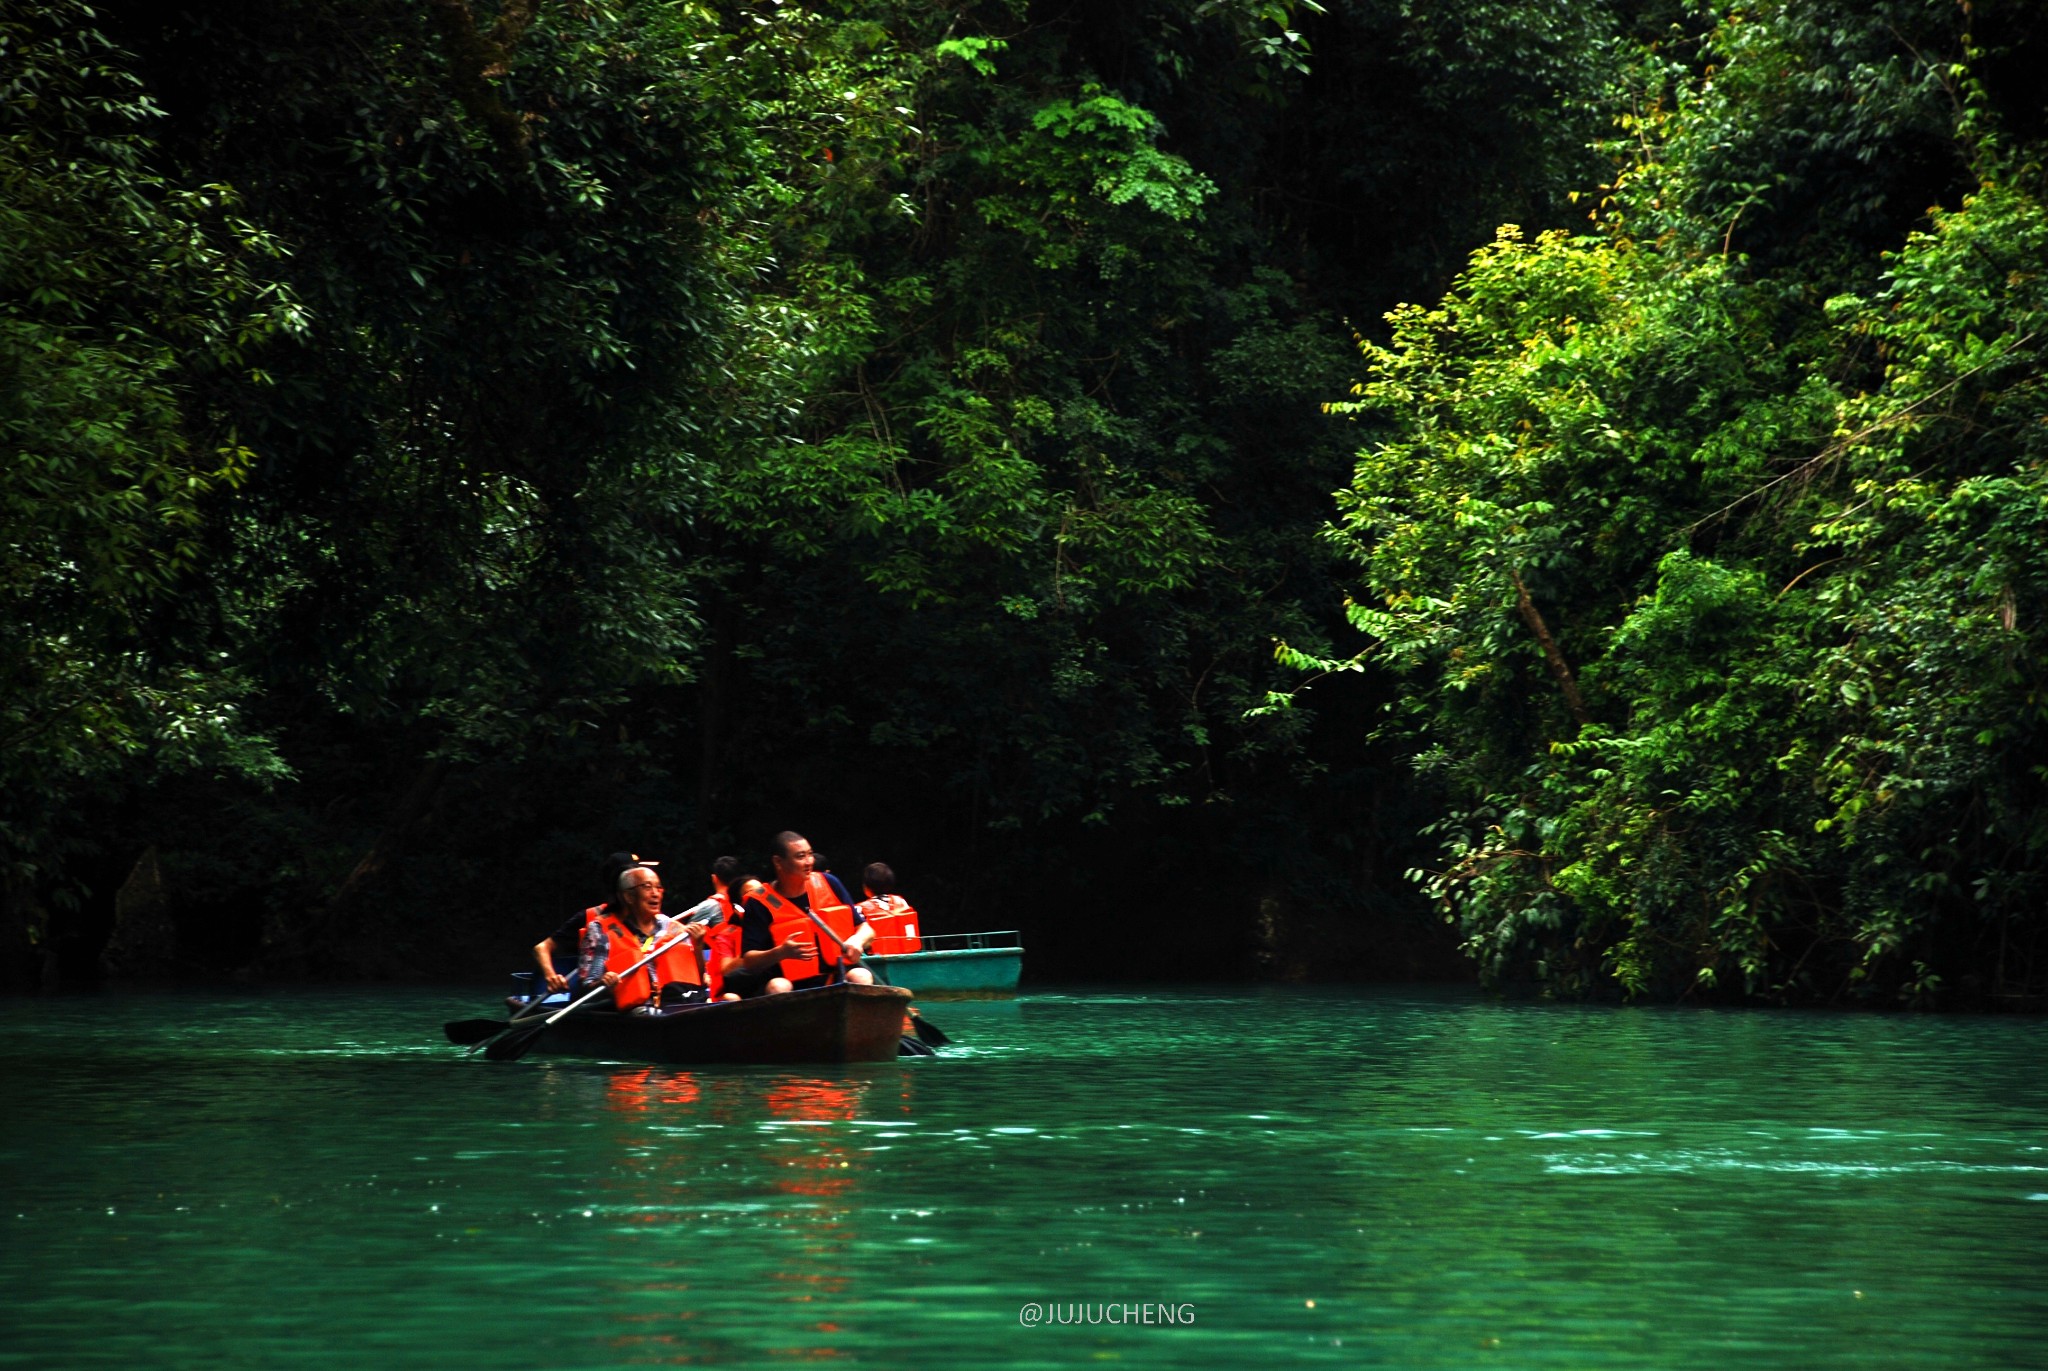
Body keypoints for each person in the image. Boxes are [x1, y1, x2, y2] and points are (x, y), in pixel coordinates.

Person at [722, 831, 874, 997]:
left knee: (861, 975)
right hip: (788, 982)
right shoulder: (758, 902)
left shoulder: (829, 882)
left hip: (837, 974)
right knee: (777, 986)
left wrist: (857, 941)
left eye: (810, 854)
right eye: (800, 857)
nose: (809, 862)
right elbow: (749, 961)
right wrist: (781, 952)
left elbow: (866, 929)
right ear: (778, 862)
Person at [580, 863, 708, 1011]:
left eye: (658, 888)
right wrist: (605, 982)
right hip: (631, 1014)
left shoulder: (673, 928)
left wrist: (698, 946)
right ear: (629, 896)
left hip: (675, 1008)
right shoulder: (600, 930)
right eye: (647, 887)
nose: (656, 893)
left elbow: (698, 981)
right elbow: (587, 988)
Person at [531, 851, 651, 996]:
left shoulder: (650, 918)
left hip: (640, 992)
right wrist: (551, 977)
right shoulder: (591, 918)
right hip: (598, 995)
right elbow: (541, 948)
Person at [856, 861, 923, 955]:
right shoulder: (902, 902)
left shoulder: (859, 909)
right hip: (908, 955)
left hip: (876, 960)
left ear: (866, 887)